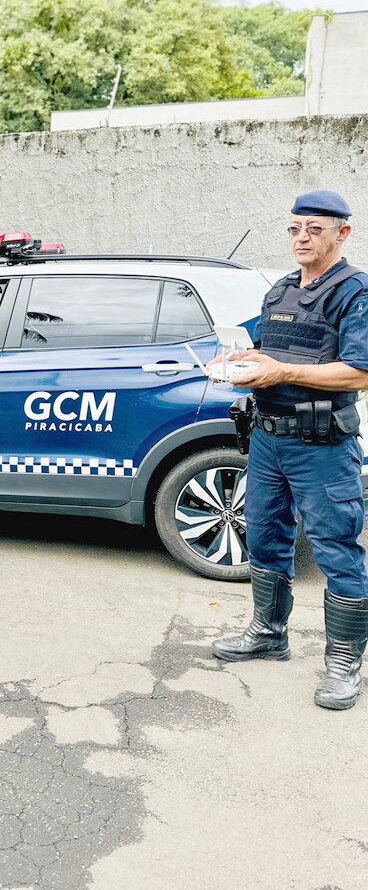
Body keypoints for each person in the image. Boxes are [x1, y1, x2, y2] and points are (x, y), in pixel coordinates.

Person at [211, 190, 368, 710]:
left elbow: (360, 372)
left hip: (321, 446)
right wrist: (240, 362)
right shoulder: (279, 290)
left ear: (342, 233)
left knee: (335, 548)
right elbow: (267, 352)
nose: (302, 237)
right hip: (267, 438)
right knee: (263, 535)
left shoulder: (355, 291)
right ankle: (267, 633)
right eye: (295, 228)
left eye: (314, 229)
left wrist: (281, 372)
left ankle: (343, 664)